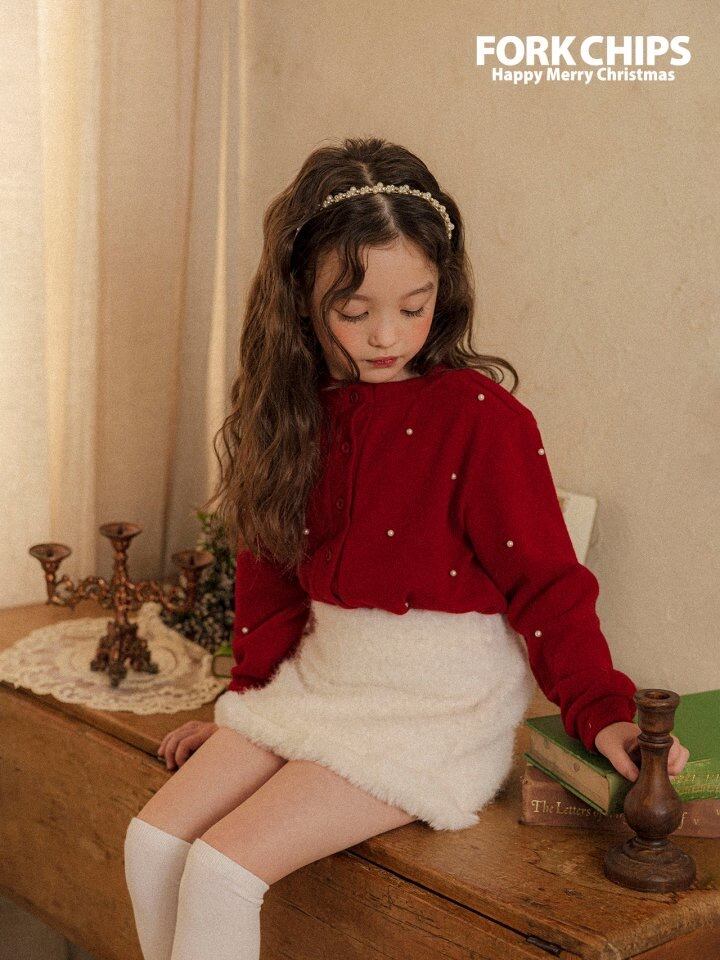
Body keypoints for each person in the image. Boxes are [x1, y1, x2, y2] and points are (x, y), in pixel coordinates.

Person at [123, 136, 689, 960]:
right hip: (316, 688)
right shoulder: (291, 416)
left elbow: (549, 585)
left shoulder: (484, 421)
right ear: (301, 300)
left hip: (436, 715)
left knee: (220, 871)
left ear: (442, 293)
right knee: (150, 843)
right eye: (353, 313)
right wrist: (247, 713)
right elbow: (270, 580)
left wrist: (602, 710)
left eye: (414, 307)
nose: (386, 336)